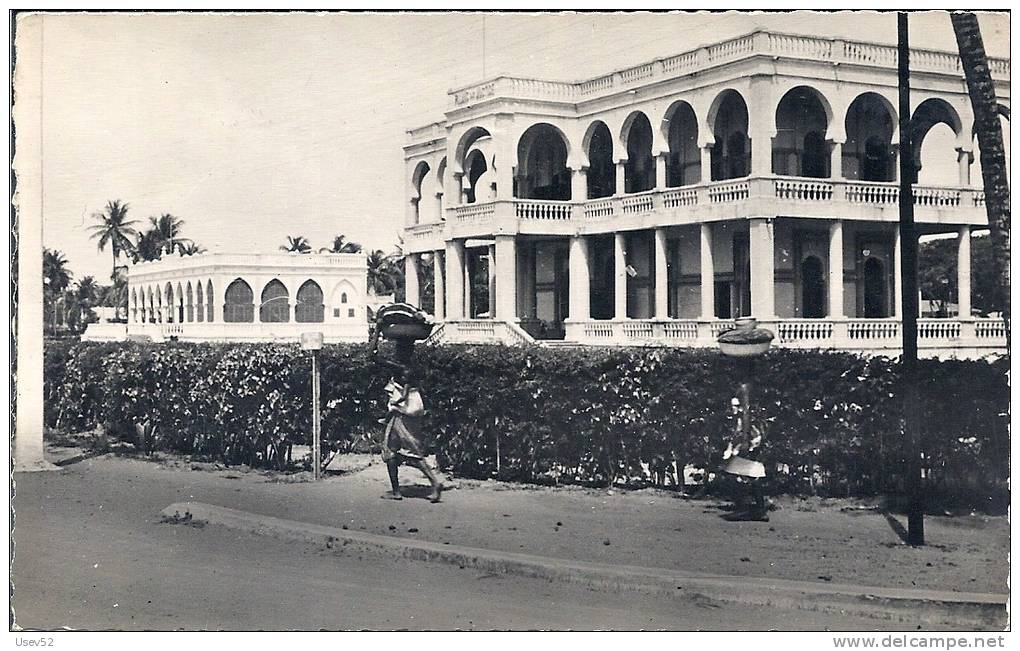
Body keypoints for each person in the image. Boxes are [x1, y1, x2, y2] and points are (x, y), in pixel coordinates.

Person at [379, 367, 443, 503]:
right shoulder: (412, 383)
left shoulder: (402, 373)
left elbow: (377, 360)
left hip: (400, 418)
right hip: (408, 419)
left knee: (394, 452)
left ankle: (398, 491)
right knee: (408, 452)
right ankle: (431, 483)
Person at [719, 389, 769, 522]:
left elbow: (757, 436)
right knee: (744, 479)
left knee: (745, 480)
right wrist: (730, 448)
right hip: (743, 453)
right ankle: (755, 510)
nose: (732, 408)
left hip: (751, 454)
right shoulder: (738, 420)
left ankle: (747, 510)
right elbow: (736, 436)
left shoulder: (747, 420)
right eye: (731, 406)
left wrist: (749, 447)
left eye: (735, 406)